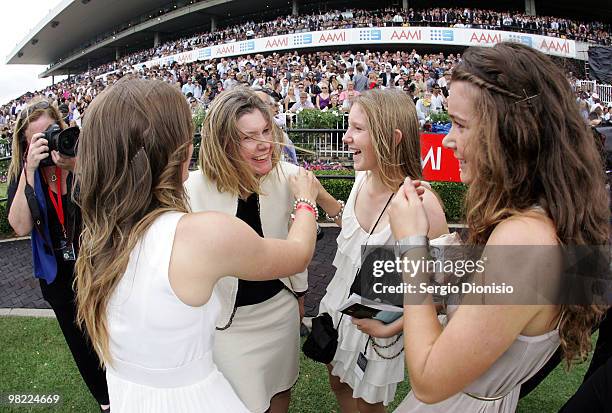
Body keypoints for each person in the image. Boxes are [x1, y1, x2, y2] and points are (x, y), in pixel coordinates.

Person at [74, 78, 319, 413]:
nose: (262, 143)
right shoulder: (201, 234)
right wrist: (306, 202)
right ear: (183, 151)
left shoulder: (98, 237)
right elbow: (298, 255)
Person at [391, 42, 609, 413]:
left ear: (513, 133)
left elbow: (428, 379)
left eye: (460, 124)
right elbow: (486, 309)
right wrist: (439, 230)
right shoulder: (549, 217)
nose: (447, 139)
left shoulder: (525, 239)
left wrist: (411, 243)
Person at [184, 86, 339, 413]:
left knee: (279, 393)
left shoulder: (290, 176)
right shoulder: (190, 192)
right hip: (226, 324)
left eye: (267, 130)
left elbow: (335, 211)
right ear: (224, 143)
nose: (264, 144)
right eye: (249, 137)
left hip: (279, 312)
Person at [317, 89, 448, 413]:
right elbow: (351, 239)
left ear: (393, 137)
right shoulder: (360, 178)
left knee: (367, 405)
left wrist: (390, 327)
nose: (346, 138)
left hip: (381, 326)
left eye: (358, 129)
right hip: (339, 308)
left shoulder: (424, 204)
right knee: (336, 379)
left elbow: (445, 287)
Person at [6, 100, 110, 412]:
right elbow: (21, 225)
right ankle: (107, 403)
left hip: (97, 268)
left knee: (112, 337)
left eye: (51, 131)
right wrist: (30, 170)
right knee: (83, 348)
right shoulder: (24, 175)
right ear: (25, 143)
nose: (48, 140)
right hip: (59, 278)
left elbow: (109, 202)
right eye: (37, 137)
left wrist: (75, 164)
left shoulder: (82, 160)